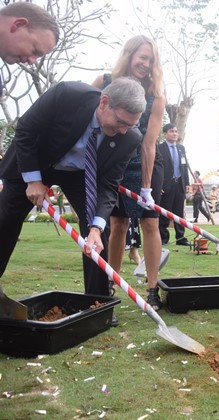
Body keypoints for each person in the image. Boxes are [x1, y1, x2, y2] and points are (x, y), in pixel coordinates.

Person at [0, 78, 146, 326]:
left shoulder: (130, 137)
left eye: (130, 125)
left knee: (101, 232)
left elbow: (108, 184)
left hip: (81, 174)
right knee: (4, 221)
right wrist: (33, 180)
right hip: (35, 162)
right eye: (120, 122)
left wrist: (95, 228)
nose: (123, 130)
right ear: (104, 103)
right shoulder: (67, 95)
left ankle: (97, 305)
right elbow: (25, 131)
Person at [92, 35, 166, 311]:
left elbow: (149, 143)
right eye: (142, 57)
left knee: (150, 223)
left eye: (151, 60)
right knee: (118, 222)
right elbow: (89, 121)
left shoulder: (156, 94)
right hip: (113, 159)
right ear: (130, 55)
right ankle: (111, 281)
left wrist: (146, 187)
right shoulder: (104, 81)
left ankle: (152, 287)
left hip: (145, 161)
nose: (146, 64)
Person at [158, 123, 190, 245]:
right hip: (166, 184)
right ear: (165, 134)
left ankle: (180, 238)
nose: (175, 133)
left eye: (176, 131)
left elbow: (184, 166)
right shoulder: (160, 148)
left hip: (179, 184)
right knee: (165, 212)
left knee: (179, 212)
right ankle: (164, 238)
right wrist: (158, 185)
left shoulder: (181, 148)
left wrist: (186, 183)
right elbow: (158, 168)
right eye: (171, 131)